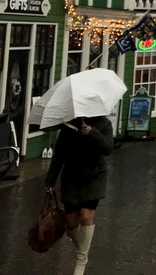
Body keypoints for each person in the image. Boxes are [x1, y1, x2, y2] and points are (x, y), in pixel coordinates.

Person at [44, 115, 113, 275]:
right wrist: (50, 181)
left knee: (86, 216)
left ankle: (81, 260)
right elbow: (59, 155)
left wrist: (92, 133)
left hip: (94, 175)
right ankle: (84, 249)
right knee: (72, 223)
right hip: (72, 177)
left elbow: (108, 149)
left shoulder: (104, 124)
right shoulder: (69, 126)